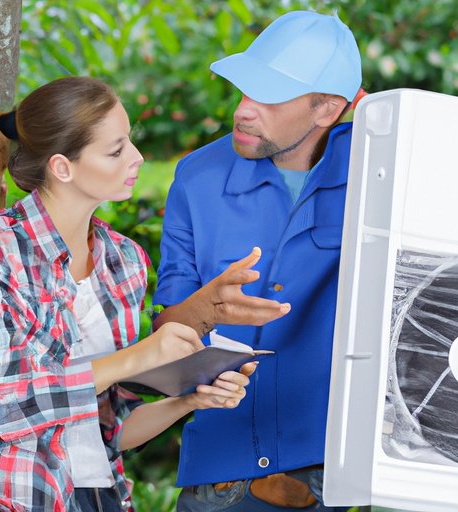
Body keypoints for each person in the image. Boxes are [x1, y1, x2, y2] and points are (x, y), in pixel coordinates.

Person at [0, 76, 274, 512]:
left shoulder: (124, 262)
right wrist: (140, 356)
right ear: (62, 167)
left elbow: (114, 432)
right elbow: (4, 406)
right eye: (116, 149)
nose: (138, 158)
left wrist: (190, 400)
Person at [153, 10, 366, 512]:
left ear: (327, 109)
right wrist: (205, 308)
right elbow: (166, 331)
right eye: (245, 91)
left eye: (268, 97)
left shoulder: (381, 171)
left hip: (331, 477)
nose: (244, 110)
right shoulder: (196, 178)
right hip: (219, 481)